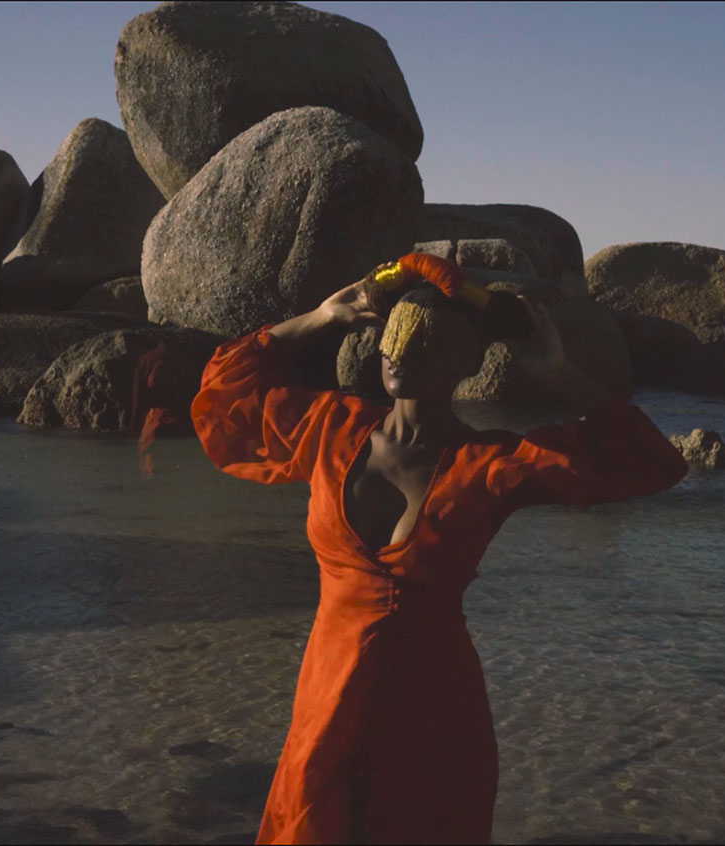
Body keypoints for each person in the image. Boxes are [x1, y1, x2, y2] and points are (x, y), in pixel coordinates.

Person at [190, 253, 689, 844]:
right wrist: (323, 316)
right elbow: (224, 395)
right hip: (325, 700)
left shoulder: (491, 467)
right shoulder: (330, 430)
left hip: (433, 716)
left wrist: (559, 375)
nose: (403, 350)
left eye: (430, 340)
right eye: (397, 333)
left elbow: (652, 463)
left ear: (471, 363)